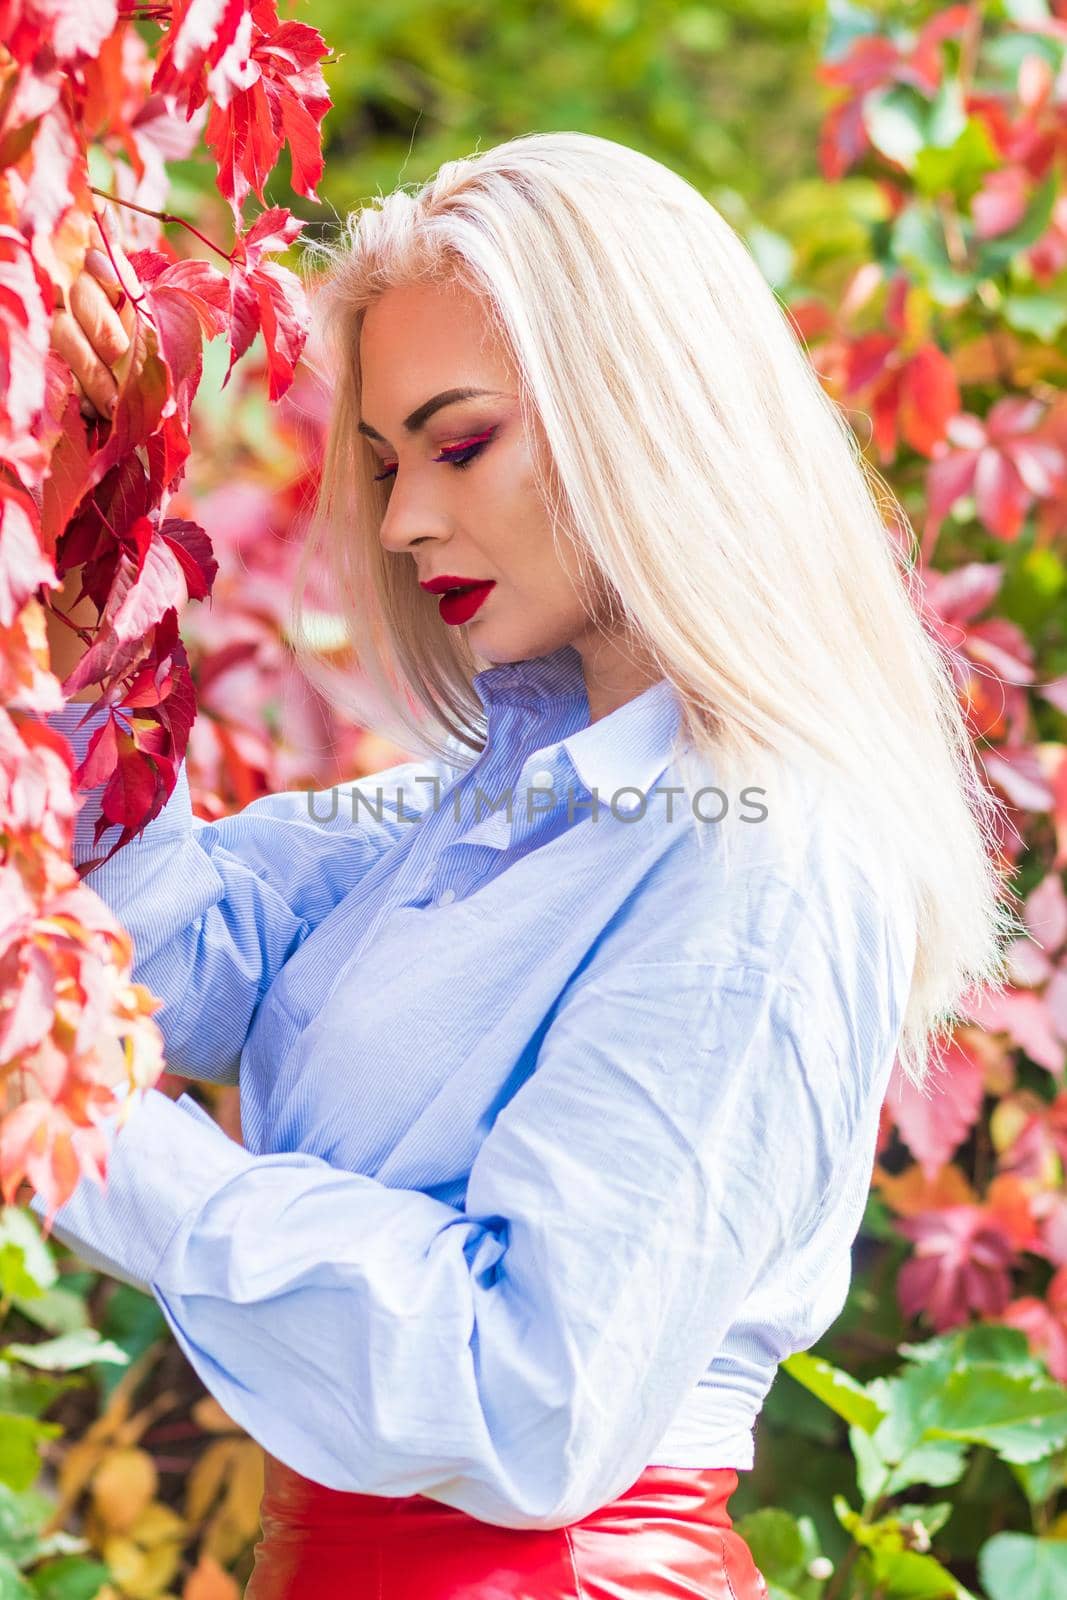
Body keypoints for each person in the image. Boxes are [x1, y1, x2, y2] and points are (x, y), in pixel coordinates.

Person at [32, 131, 1015, 1598]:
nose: (403, 518)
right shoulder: (481, 814)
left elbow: (527, 1391)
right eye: (380, 461)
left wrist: (80, 1113)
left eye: (462, 441)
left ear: (640, 413)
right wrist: (86, 524)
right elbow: (161, 962)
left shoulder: (770, 854)